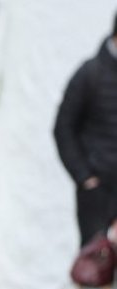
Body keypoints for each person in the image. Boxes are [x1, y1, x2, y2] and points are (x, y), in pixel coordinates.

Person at [54, 15, 117, 244]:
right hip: (98, 192)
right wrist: (84, 176)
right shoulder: (90, 74)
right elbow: (63, 128)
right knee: (96, 267)